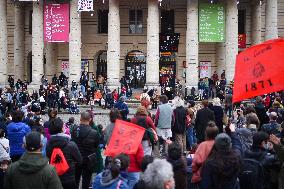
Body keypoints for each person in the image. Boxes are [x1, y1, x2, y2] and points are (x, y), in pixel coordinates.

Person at [200, 124, 242, 189]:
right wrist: (233, 132)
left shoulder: (209, 164)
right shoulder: (236, 158)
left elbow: (205, 185)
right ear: (230, 145)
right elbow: (237, 146)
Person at [46, 118, 82, 189]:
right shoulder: (71, 144)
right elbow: (80, 161)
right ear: (62, 129)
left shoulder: (48, 145)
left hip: (54, 178)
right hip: (69, 178)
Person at [71, 112, 100, 189]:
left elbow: (72, 143)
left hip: (76, 158)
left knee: (76, 179)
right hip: (88, 159)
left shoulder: (74, 130)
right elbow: (96, 146)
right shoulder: (95, 133)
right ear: (90, 119)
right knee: (86, 180)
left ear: (80, 119)